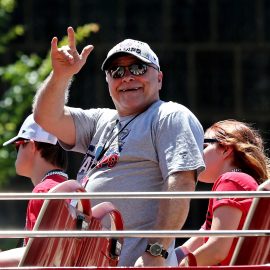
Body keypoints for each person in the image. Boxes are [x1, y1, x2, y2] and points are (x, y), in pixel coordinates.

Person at [32, 26, 205, 267]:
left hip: (131, 263)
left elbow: (182, 183)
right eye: (117, 71)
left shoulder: (169, 115)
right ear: (108, 82)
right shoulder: (101, 120)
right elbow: (46, 118)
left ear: (159, 78)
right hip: (88, 257)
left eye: (138, 68)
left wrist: (156, 251)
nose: (127, 77)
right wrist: (61, 75)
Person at [176, 119, 270, 266]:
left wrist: (183, 266)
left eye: (204, 146)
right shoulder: (240, 181)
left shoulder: (231, 180)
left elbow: (216, 250)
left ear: (225, 149)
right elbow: (196, 242)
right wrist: (159, 255)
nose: (196, 154)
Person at [0, 114, 68, 267]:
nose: (15, 152)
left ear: (32, 145)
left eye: (18, 145)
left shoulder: (45, 191)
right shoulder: (64, 187)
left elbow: (38, 255)